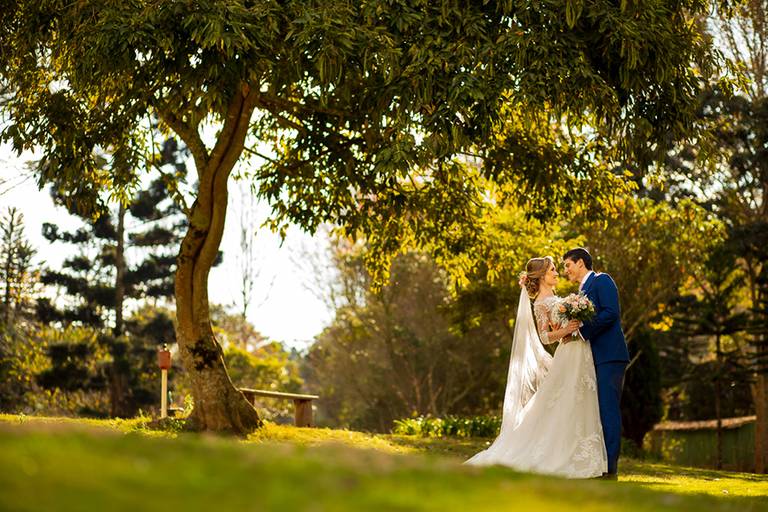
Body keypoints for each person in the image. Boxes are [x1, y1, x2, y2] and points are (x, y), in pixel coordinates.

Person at [465, 256, 607, 479]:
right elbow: (545, 337)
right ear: (541, 276)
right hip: (568, 352)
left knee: (578, 399)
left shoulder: (557, 298)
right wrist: (566, 330)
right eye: (553, 270)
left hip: (580, 351)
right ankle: (567, 453)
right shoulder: (541, 303)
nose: (557, 273)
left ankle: (583, 452)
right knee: (567, 399)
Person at [562, 247, 629, 480]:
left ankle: (611, 469)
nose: (566, 271)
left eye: (568, 265)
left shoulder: (602, 281)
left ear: (580, 262)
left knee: (608, 410)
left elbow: (611, 313)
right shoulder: (581, 291)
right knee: (596, 411)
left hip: (610, 356)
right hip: (593, 359)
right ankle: (599, 464)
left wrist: (582, 331)